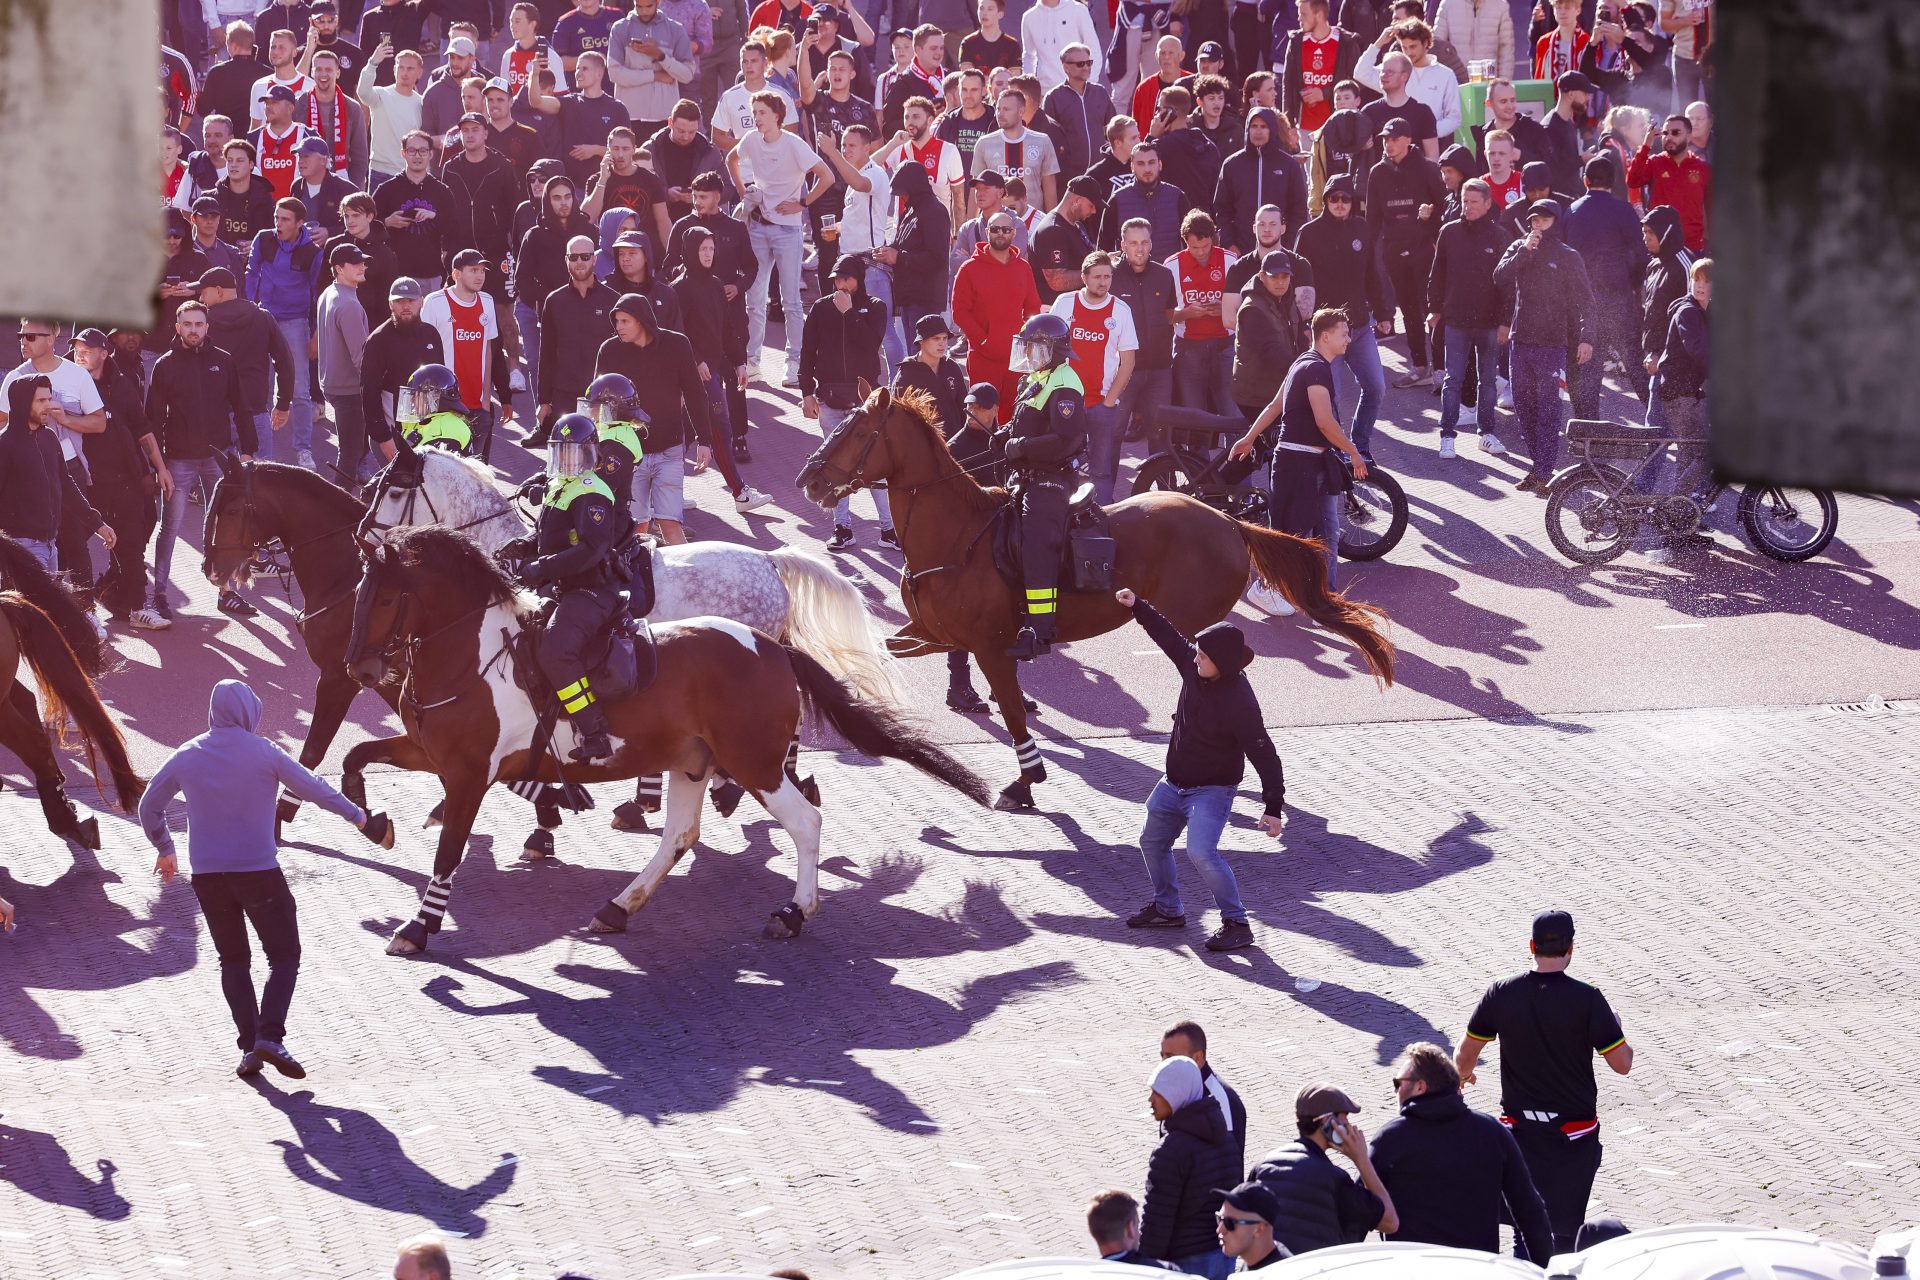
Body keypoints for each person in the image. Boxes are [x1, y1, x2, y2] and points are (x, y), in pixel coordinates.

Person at [138, 679, 384, 1079]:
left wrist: (165, 847)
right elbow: (314, 787)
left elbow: (150, 804)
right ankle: (269, 1035)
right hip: (258, 873)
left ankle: (249, 1047)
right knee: (284, 955)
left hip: (208, 877)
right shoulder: (265, 752)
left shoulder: (186, 755)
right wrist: (357, 816)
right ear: (249, 712)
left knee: (233, 960)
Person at [1454, 909, 1635, 1256]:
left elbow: (1463, 1058)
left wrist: (1464, 1074)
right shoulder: (1588, 998)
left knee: (1525, 1228)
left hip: (1518, 1132)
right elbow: (1622, 1064)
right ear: (1571, 948)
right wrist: (1615, 1026)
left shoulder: (1501, 992)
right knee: (1564, 1235)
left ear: (1532, 945)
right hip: (1573, 1137)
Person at [1117, 584, 1279, 950]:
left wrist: (1273, 807)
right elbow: (1167, 636)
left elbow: (1264, 754)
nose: (1194, 659)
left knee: (1201, 853)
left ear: (1222, 662)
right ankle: (1168, 908)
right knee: (1151, 842)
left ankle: (1237, 924)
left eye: (1203, 657)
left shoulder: (1241, 705)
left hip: (1211, 791)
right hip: (1172, 784)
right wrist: (1137, 605)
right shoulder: (1195, 669)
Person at [496, 414, 624, 762]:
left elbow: (590, 549)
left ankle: (594, 730)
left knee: (556, 649)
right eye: (560, 453)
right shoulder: (559, 486)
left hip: (590, 589)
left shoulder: (593, 492)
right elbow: (548, 536)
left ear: (589, 455)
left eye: (573, 454)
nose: (566, 461)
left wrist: (539, 568)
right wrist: (521, 546)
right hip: (561, 585)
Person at [1370, 1042, 1554, 1260]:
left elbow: (1356, 1210)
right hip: (1476, 1269)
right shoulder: (1491, 1133)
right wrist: (1543, 1270)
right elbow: (1530, 1212)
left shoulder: (1390, 1139)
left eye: (1397, 1083)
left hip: (1412, 1269)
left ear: (1420, 1086)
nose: (1396, 1090)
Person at [1232, 309, 1366, 587]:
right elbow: (1325, 422)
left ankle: (1325, 598)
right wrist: (1353, 451)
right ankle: (1269, 587)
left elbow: (1274, 406)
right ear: (1325, 336)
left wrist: (1249, 437)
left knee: (1327, 531)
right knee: (1296, 534)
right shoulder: (1316, 368)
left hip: (1307, 462)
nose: (1349, 339)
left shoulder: (1301, 362)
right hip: (1301, 464)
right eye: (1344, 334)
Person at [728, 91, 834, 387]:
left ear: (777, 115)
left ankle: (796, 364)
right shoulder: (750, 140)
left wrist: (804, 202)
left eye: (762, 112)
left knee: (791, 302)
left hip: (788, 231)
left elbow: (826, 176)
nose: (757, 118)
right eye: (755, 112)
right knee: (755, 300)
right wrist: (743, 192)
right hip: (758, 228)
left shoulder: (794, 145)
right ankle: (753, 362)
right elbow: (730, 159)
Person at [1, 324, 111, 605]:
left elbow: (98, 423)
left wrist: (98, 523)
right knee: (35, 606)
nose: (23, 341)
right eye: (20, 336)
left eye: (30, 336)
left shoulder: (50, 433)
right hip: (25, 532)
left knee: (74, 548)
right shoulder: (14, 381)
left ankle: (86, 612)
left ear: (52, 338)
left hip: (64, 473)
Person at [592, 293, 711, 544]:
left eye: (625, 321)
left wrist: (704, 440)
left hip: (670, 452)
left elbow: (695, 394)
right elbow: (598, 403)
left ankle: (686, 580)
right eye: (617, 321)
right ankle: (640, 582)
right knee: (636, 529)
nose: (618, 327)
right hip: (628, 456)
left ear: (642, 321)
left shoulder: (677, 344)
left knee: (670, 524)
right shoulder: (610, 350)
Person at [69, 331, 169, 631]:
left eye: (88, 349)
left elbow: (142, 428)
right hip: (83, 481)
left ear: (104, 353)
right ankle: (79, 611)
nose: (80, 354)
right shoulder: (65, 381)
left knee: (133, 542)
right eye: (77, 349)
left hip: (124, 479)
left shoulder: (121, 383)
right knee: (70, 544)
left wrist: (160, 467)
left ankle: (135, 606)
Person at [1493, 197, 1594, 492]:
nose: (1538, 226)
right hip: (1520, 341)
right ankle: (1539, 468)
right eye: (1534, 221)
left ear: (1555, 222)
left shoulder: (1568, 255)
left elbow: (1586, 300)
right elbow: (1499, 277)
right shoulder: (1519, 247)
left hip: (1553, 345)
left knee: (1549, 410)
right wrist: (1524, 251)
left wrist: (1587, 338)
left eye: (1544, 220)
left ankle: (1544, 471)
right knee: (1524, 409)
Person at [1292, 178, 1392, 460]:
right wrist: (1302, 325)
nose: (1339, 203)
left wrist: (1384, 313)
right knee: (1329, 399)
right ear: (1324, 200)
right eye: (1333, 198)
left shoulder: (1362, 228)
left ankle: (1359, 446)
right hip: (1324, 333)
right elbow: (1298, 284)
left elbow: (1373, 272)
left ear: (1353, 202)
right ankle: (1337, 453)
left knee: (1376, 388)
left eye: (1345, 199)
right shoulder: (1309, 233)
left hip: (1359, 327)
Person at [802, 258, 895, 550]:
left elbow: (870, 344)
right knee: (835, 466)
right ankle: (842, 528)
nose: (841, 285)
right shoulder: (820, 308)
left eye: (847, 279)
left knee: (874, 464)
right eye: (836, 279)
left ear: (858, 279)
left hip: (864, 404)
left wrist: (851, 313)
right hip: (829, 400)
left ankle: (888, 529)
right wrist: (806, 391)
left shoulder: (876, 306)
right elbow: (807, 351)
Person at [1248, 1083, 1398, 1256]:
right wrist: (1362, 1159)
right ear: (1326, 1122)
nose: (1349, 1125)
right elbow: (1390, 1221)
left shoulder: (1264, 1164)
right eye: (1345, 1118)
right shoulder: (1333, 1179)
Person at [1427, 178, 1512, 458]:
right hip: (1456, 321)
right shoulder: (1448, 232)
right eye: (1465, 201)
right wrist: (1434, 309)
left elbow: (1508, 285)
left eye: (1475, 201)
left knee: (1487, 381)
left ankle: (1486, 434)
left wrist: (1504, 322)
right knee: (1453, 379)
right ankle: (1447, 436)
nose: (1468, 206)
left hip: (1489, 323)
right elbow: (1436, 274)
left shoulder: (1500, 236)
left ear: (1488, 204)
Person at [0, 378, 114, 579]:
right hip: (21, 549)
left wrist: (97, 524)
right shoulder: (4, 445)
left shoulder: (49, 438)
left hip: (51, 545)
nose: (48, 406)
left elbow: (67, 486)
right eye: (41, 401)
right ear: (22, 402)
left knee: (47, 610)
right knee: (33, 610)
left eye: (49, 399)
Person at [1045, 248, 1135, 501]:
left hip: (1100, 404)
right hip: (1064, 401)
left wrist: (1109, 402)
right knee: (1060, 465)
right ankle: (1062, 517)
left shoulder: (1121, 310)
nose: (1103, 282)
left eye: (1107, 277)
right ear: (1084, 277)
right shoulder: (1064, 303)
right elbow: (1047, 349)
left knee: (1101, 472)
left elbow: (1128, 361)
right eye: (1097, 277)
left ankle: (1102, 523)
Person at [1564, 153, 1648, 418]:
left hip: (1585, 304)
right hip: (1620, 299)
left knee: (1587, 369)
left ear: (1585, 180)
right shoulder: (1623, 211)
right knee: (1637, 364)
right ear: (1613, 182)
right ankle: (1659, 425)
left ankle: (1589, 433)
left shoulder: (1572, 211)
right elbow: (1640, 254)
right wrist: (1631, 286)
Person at [1139, 1054, 1240, 1276]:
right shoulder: (1226, 1137)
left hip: (1184, 1263)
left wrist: (1144, 1267)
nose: (1150, 1099)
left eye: (1158, 1092)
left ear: (1176, 1093)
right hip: (1223, 1254)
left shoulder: (1171, 1149)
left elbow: (1157, 1219)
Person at [1367, 117, 1448, 388]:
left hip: (1424, 249)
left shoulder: (1426, 168)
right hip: (1393, 249)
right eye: (1385, 139)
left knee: (1430, 308)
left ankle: (1441, 368)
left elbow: (1445, 206)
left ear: (1408, 140)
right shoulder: (1377, 172)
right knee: (1409, 310)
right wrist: (1369, 253)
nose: (1388, 144)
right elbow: (1373, 218)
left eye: (1394, 138)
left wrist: (1431, 215)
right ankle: (1419, 366)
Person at [421, 249, 515, 461]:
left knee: (478, 472)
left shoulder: (487, 301)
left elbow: (490, 351)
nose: (480, 275)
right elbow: (422, 354)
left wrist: (487, 400)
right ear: (456, 274)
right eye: (474, 270)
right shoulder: (435, 302)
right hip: (445, 409)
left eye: (482, 270)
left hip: (479, 407)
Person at [1643, 257, 1707, 559]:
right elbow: (1698, 349)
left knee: (1689, 455)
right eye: (1697, 280)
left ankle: (1683, 522)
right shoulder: (1688, 311)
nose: (1701, 286)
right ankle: (1672, 512)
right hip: (1678, 392)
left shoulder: (1707, 311)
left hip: (1688, 392)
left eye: (1708, 281)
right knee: (1706, 451)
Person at [954, 212, 1044, 423]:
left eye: (1006, 229)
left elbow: (1032, 307)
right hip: (983, 357)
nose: (1000, 233)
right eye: (995, 229)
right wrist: (982, 339)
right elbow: (959, 311)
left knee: (1012, 418)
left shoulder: (1023, 268)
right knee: (982, 418)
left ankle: (1010, 457)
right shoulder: (969, 269)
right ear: (987, 232)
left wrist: (1026, 342)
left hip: (1016, 359)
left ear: (1014, 233)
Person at [538, 233, 620, 442]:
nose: (579, 262)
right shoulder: (554, 301)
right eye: (574, 257)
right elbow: (546, 353)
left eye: (585, 256)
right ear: (566, 260)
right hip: (564, 396)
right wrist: (544, 400)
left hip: (603, 396)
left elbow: (623, 351)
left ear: (595, 259)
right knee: (566, 458)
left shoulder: (613, 299)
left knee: (603, 455)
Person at [359, 278, 445, 450]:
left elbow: (440, 381)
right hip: (394, 437)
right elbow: (369, 393)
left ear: (421, 301)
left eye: (411, 300)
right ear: (390, 304)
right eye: (399, 301)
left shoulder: (431, 334)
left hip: (429, 431)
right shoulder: (378, 340)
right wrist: (383, 438)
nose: (406, 306)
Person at [529, 49, 635, 187]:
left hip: (608, 184)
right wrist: (534, 74)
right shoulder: (569, 102)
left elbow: (628, 151)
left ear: (599, 74)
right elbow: (536, 101)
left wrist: (595, 150)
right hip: (572, 187)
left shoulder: (617, 108)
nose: (578, 72)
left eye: (584, 68)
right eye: (577, 68)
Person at [314, 243, 374, 482]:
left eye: (363, 262)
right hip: (349, 390)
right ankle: (341, 505)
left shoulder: (330, 292)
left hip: (333, 384)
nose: (362, 266)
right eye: (355, 263)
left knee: (352, 450)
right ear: (339, 268)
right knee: (350, 453)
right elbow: (361, 358)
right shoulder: (348, 304)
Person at [1214, 108, 1308, 259]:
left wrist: (1288, 245)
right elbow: (1222, 209)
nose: (1258, 131)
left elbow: (1299, 210)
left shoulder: (1289, 165)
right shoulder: (1232, 164)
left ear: (1272, 130)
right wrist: (1229, 242)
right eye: (1254, 126)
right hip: (1242, 251)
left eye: (1263, 127)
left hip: (1279, 251)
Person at [1159, 1020, 1247, 1168]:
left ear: (1198, 1058)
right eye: (1162, 1056)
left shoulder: (1222, 1100)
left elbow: (1227, 1168)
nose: (1163, 1064)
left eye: (1171, 1057)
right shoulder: (1173, 1090)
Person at [1637, 202, 1692, 426]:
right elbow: (1652, 313)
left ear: (1666, 232)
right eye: (1644, 233)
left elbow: (1692, 320)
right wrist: (1651, 351)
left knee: (1683, 433)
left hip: (1680, 366)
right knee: (1656, 429)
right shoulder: (1653, 265)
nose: (1645, 238)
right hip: (1657, 360)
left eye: (1650, 233)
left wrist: (1664, 354)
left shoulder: (1687, 266)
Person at [605, 0, 694, 134]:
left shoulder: (675, 29)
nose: (644, 11)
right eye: (639, 6)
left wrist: (660, 56)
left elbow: (687, 75)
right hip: (630, 115)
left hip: (664, 116)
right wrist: (655, 76)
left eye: (649, 6)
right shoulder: (620, 28)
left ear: (658, 2)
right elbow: (614, 73)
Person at [1625, 112, 1709, 253]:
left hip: (1693, 246)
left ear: (1689, 136)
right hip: (1661, 246)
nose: (1669, 137)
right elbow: (1632, 181)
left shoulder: (1703, 168)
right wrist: (1646, 146)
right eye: (1665, 133)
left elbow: (1712, 210)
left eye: (1675, 133)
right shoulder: (1654, 162)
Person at [973, 87, 1063, 211]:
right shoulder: (984, 143)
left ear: (1021, 111)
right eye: (998, 109)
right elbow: (976, 188)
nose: (1000, 114)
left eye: (1006, 109)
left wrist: (1052, 224)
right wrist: (970, 225)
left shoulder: (1042, 141)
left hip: (1033, 222)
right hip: (995, 222)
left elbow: (1050, 188)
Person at [1097, 140, 1189, 259]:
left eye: (1151, 162)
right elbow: (1103, 249)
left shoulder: (1177, 196)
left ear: (1159, 165)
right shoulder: (1117, 200)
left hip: (1170, 273)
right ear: (1132, 167)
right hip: (1129, 275)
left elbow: (1192, 242)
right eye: (1140, 163)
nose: (1147, 169)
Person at [1281, 0, 1357, 134]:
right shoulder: (1296, 41)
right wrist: (1288, 123)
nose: (1299, 18)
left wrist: (1324, 93)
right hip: (1305, 127)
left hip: (1338, 126)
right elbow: (1288, 83)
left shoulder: (1346, 42)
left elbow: (1356, 82)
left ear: (1319, 15)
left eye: (1303, 14)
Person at [359, 42, 427, 187]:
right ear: (394, 70)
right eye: (401, 67)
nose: (404, 72)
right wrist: (372, 63)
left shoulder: (421, 103)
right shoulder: (380, 94)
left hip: (410, 173)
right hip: (379, 172)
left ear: (419, 73)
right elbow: (363, 92)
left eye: (410, 68)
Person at [1042, 44, 1111, 182]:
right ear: (1066, 67)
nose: (1086, 67)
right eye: (1080, 64)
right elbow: (1047, 139)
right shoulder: (1053, 97)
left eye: (1088, 63)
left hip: (1101, 173)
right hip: (1069, 176)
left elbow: (1112, 128)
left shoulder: (1100, 92)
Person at [1085, 1189, 1182, 1270]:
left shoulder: (1084, 1274)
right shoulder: (1165, 1271)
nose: (1139, 1233)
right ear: (1130, 1228)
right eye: (1137, 1225)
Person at [1471, 78, 1551, 172]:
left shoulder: (1533, 129)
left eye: (1512, 100)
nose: (1510, 106)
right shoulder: (1483, 134)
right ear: (1489, 103)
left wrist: (1520, 155)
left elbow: (1550, 165)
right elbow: (1480, 173)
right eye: (1503, 101)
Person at [1020, 0, 1100, 92]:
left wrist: (1090, 84)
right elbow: (1029, 56)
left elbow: (1094, 49)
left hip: (1076, 89)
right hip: (1044, 91)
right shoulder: (1029, 17)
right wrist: (1029, 88)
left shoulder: (1078, 10)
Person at [1214, 1182, 1293, 1270]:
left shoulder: (1283, 1273)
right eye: (1219, 1218)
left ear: (1259, 1229)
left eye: (1229, 1222)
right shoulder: (1252, 1261)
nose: (1219, 1230)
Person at [1541, 70, 1593, 199]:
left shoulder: (1568, 122)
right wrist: (1582, 160)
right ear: (1571, 94)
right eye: (1585, 93)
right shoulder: (1549, 127)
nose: (1588, 98)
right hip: (1559, 202)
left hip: (1571, 197)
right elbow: (1552, 172)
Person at [1432, 0, 1514, 76]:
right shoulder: (1448, 4)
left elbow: (1506, 49)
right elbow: (1438, 46)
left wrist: (1503, 82)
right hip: (1456, 81)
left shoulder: (1500, 6)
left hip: (1488, 82)